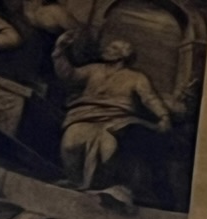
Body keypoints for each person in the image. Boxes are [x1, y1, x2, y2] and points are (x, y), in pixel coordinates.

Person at [52, 29, 172, 197]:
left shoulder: (136, 77)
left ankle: (100, 187)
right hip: (84, 115)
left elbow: (150, 98)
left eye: (113, 48)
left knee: (108, 150)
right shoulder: (94, 69)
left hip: (118, 119)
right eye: (109, 47)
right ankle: (74, 180)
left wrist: (163, 116)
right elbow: (69, 75)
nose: (106, 49)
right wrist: (60, 51)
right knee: (70, 144)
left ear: (124, 55)